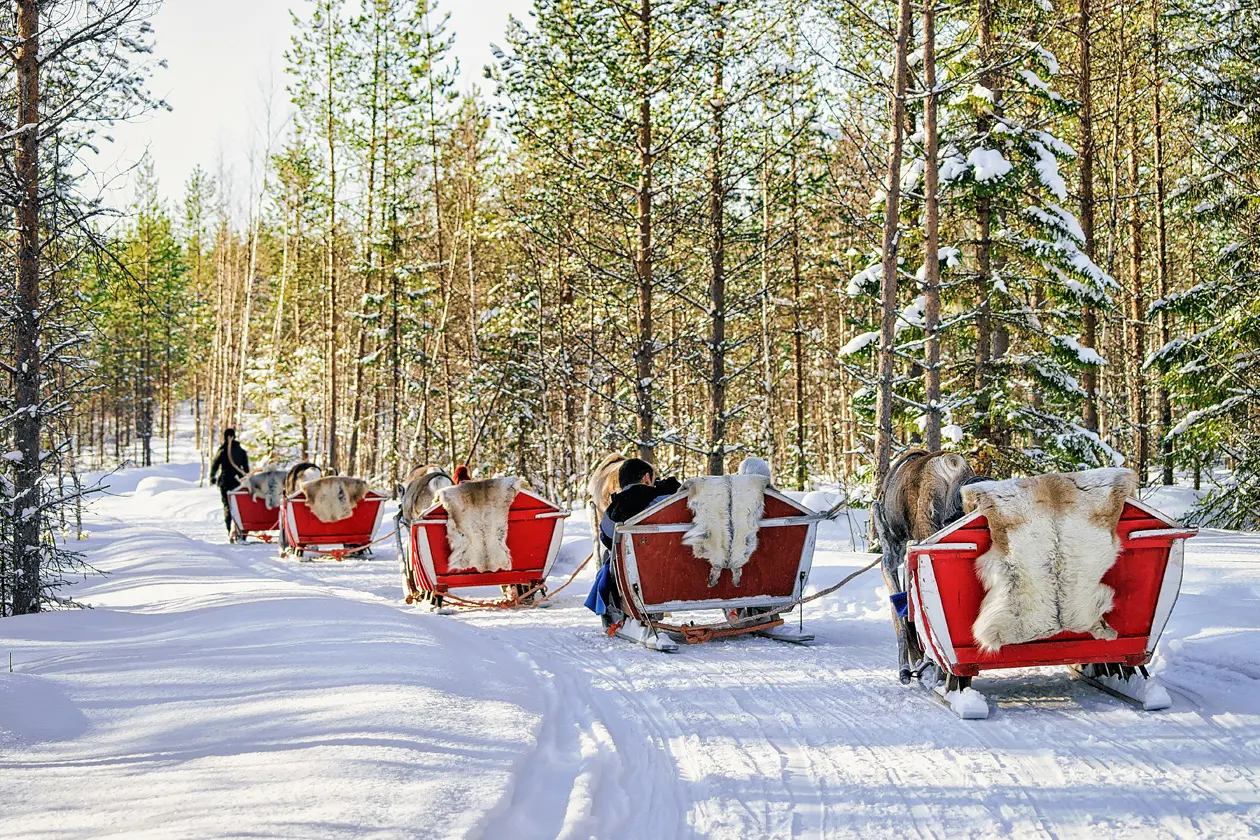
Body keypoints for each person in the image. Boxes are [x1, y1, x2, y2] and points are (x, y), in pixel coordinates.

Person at [586, 458, 681, 624]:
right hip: (674, 570)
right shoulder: (667, 501)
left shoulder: (612, 513)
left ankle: (612, 612)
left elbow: (606, 539)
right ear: (646, 478)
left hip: (637, 576)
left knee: (608, 561)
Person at [209, 428, 250, 539]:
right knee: (240, 507)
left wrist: (212, 476)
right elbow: (246, 468)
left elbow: (215, 465)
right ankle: (242, 533)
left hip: (225, 481)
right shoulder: (241, 451)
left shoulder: (222, 450)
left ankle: (230, 531)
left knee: (228, 506)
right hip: (238, 482)